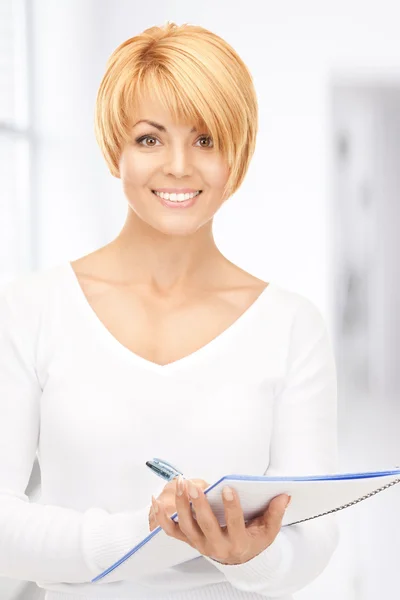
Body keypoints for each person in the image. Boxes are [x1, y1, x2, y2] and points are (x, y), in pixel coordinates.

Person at [0, 20, 339, 600]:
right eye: (150, 139)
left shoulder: (293, 326)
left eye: (205, 139)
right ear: (115, 150)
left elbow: (314, 537)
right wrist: (145, 531)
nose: (179, 166)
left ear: (238, 153)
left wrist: (251, 558)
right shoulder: (30, 309)